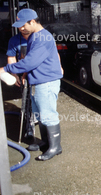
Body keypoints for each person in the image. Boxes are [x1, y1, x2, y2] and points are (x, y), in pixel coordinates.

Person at [0, 9, 63, 161]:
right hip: (37, 80)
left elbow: (30, 62)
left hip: (46, 81)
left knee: (48, 115)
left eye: (23, 25)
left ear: (33, 22)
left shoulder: (43, 38)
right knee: (40, 113)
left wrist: (6, 68)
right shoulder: (34, 36)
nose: (21, 29)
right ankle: (45, 142)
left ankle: (55, 147)